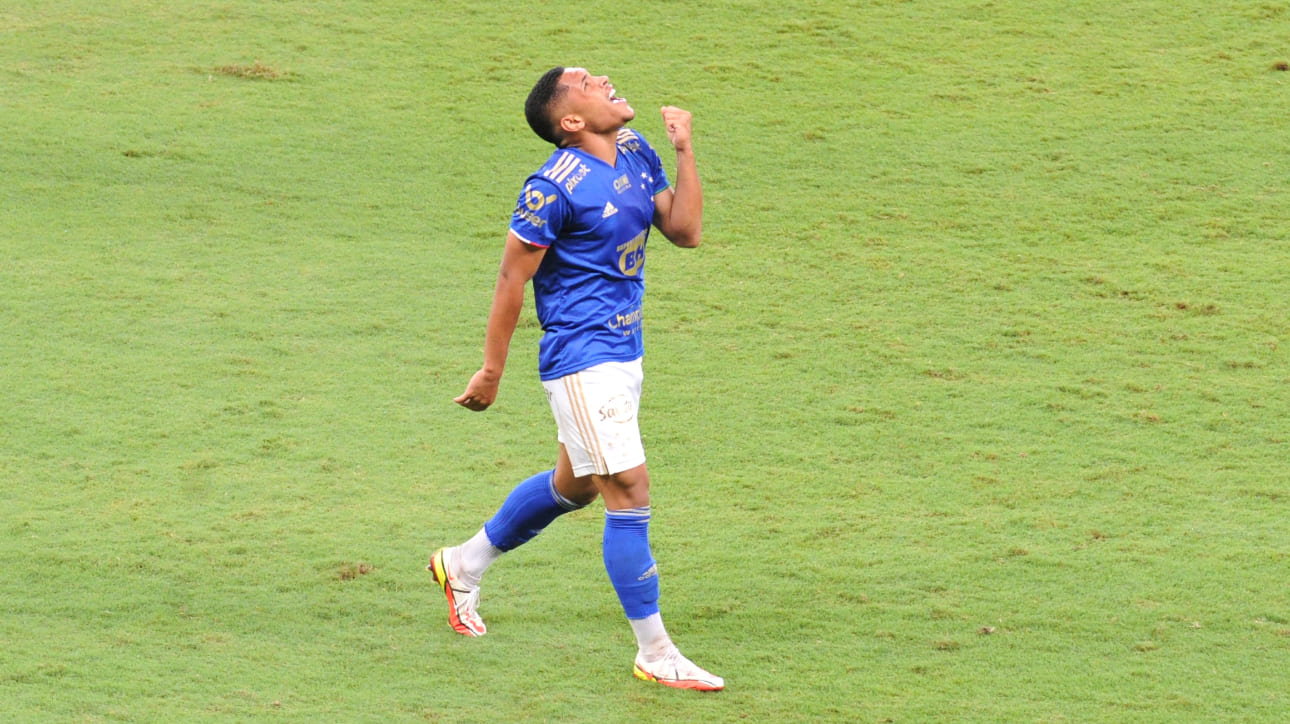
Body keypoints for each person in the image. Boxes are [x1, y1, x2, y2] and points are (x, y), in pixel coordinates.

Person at [429, 66, 723, 692]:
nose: (606, 77)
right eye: (588, 82)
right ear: (570, 122)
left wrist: (684, 149)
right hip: (582, 358)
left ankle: (462, 564)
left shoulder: (637, 151)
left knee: (577, 485)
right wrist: (491, 369)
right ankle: (656, 651)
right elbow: (513, 279)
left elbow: (685, 230)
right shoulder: (550, 189)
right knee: (628, 489)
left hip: (625, 349)